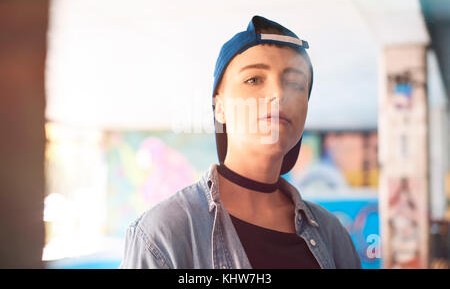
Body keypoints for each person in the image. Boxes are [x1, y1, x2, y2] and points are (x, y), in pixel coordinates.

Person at [119, 15, 362, 269]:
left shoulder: (332, 235)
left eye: (295, 83)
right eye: (254, 79)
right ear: (220, 107)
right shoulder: (162, 236)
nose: (278, 94)